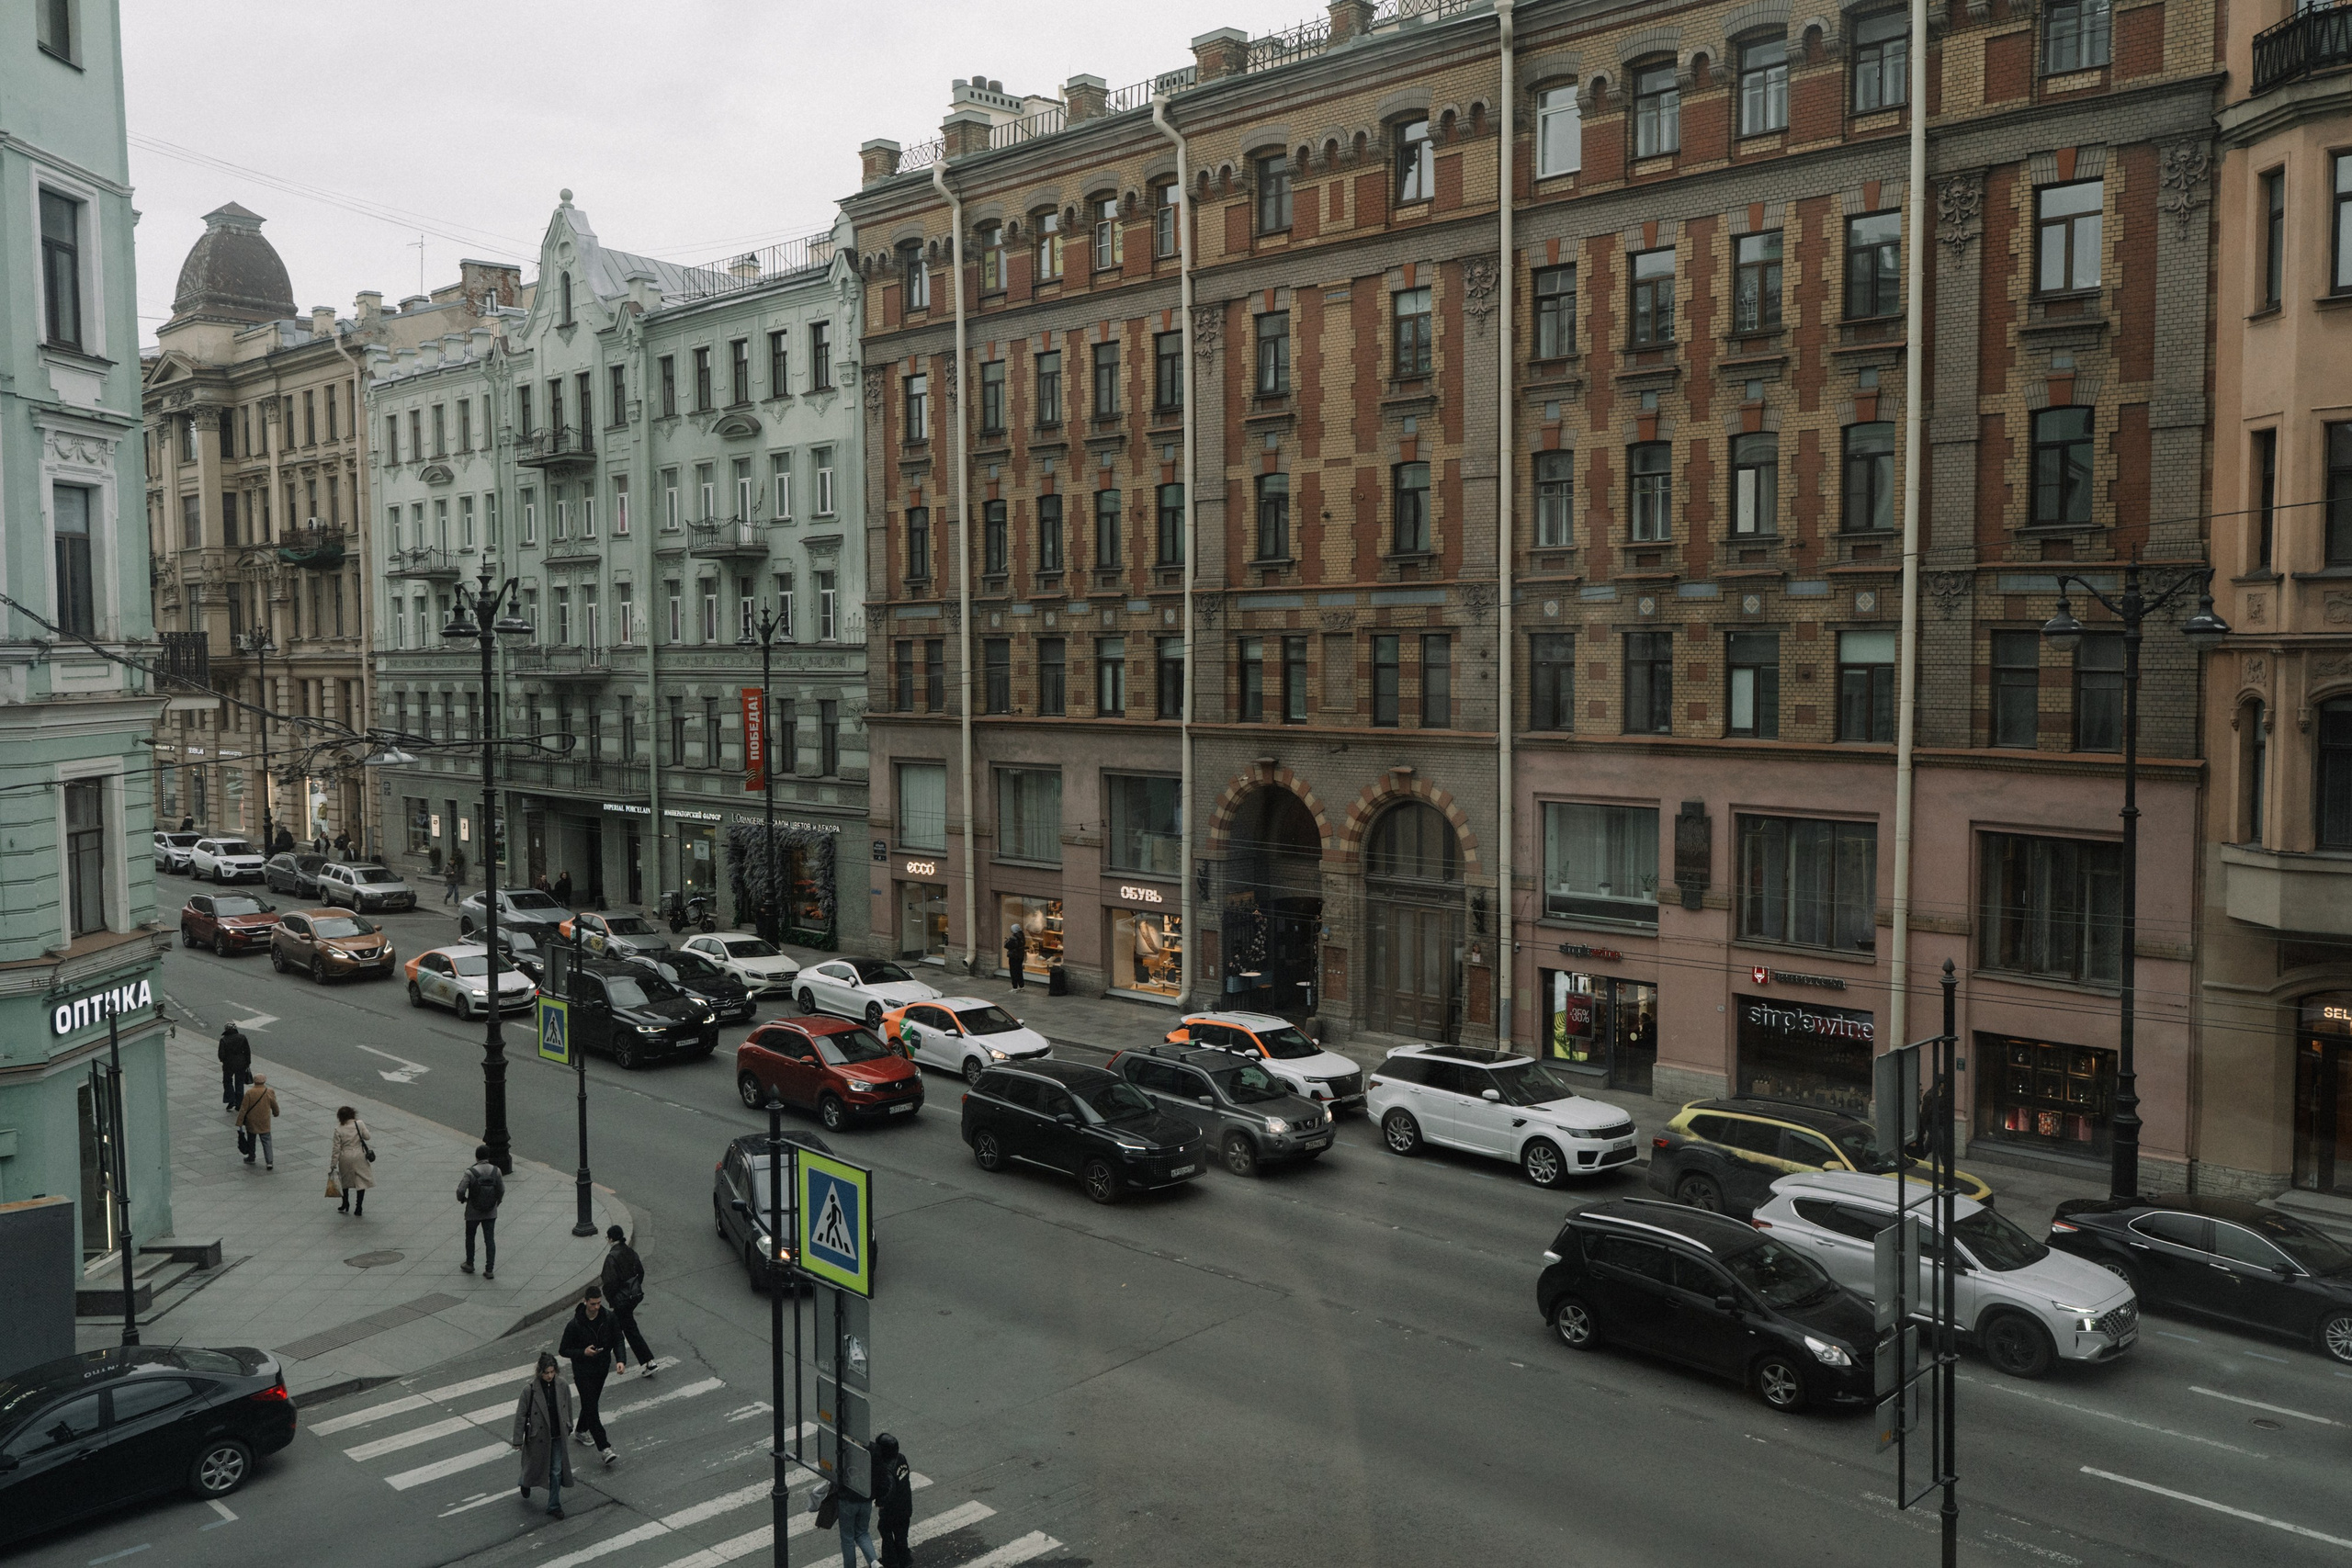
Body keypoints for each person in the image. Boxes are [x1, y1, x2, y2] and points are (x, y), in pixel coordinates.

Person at [560, 1285, 625, 1465]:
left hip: (602, 1368)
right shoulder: (575, 1325)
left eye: (598, 1304)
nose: (596, 1307)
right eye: (592, 1304)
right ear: (585, 1302)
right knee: (591, 1407)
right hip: (583, 1371)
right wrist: (583, 1352)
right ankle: (604, 1448)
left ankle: (580, 1429)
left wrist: (621, 1360)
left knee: (591, 1403)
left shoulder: (609, 1318)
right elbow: (563, 1350)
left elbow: (618, 1339)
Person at [510, 1353, 574, 1518]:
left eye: (552, 1372)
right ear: (540, 1371)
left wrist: (569, 1425)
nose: (549, 1376)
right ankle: (525, 1482)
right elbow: (521, 1415)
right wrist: (518, 1440)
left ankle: (554, 1505)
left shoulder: (562, 1385)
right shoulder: (529, 1390)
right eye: (546, 1372)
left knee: (556, 1471)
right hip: (538, 1436)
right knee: (533, 1466)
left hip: (557, 1434)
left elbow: (567, 1406)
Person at [600, 1225, 655, 1373]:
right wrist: (633, 1287)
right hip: (632, 1298)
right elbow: (640, 1272)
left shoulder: (612, 1257)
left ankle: (649, 1362)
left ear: (611, 1239)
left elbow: (609, 1282)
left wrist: (612, 1298)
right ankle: (604, 1356)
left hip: (621, 1301)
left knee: (628, 1329)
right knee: (614, 1326)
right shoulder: (630, 1252)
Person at [458, 1145, 503, 1278]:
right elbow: (501, 1190)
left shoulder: (470, 1172)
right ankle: (489, 1269)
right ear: (488, 1157)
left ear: (476, 1157)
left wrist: (463, 1199)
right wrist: (497, 1202)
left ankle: (470, 1263)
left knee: (470, 1236)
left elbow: (461, 1190)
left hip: (473, 1210)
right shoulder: (497, 1171)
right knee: (489, 1239)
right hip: (490, 1211)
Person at [872, 1432, 913, 1568]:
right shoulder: (901, 1458)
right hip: (906, 1505)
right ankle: (905, 1560)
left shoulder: (886, 1469)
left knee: (884, 1529)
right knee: (901, 1535)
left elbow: (888, 1490)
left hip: (892, 1510)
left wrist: (880, 1503)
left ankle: (890, 1560)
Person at [332, 1105, 374, 1217]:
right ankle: (358, 1206)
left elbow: (336, 1148)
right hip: (359, 1155)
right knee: (361, 1181)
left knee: (345, 1181)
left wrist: (333, 1164)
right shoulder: (359, 1124)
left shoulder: (338, 1129)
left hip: (345, 1156)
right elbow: (367, 1137)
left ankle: (345, 1203)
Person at [833, 1469, 877, 1568]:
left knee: (847, 1539)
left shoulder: (845, 1453)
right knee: (863, 1533)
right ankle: (874, 1562)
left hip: (847, 1499)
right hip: (865, 1496)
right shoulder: (871, 1453)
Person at [236, 1076, 279, 1168]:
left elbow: (243, 1109)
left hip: (251, 1121)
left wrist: (239, 1122)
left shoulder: (249, 1093)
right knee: (266, 1140)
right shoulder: (269, 1091)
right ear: (264, 1081)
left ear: (254, 1081)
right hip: (264, 1121)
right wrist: (276, 1113)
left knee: (251, 1139)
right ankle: (269, 1162)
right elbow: (274, 1105)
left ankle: (251, 1157)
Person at [217, 1022, 252, 1111]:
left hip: (228, 1064)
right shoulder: (242, 1037)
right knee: (239, 1083)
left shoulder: (224, 1040)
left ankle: (231, 1099)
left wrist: (224, 1060)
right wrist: (247, 1063)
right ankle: (239, 1103)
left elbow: (221, 1054)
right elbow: (247, 1051)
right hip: (241, 1063)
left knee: (227, 1081)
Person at [1004, 924, 1027, 991]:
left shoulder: (1014, 938)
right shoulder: (1022, 936)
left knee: (1013, 971)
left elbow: (1006, 945)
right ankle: (1021, 986)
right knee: (1019, 971)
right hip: (1020, 956)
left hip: (1014, 956)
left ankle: (1015, 987)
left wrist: (1007, 941)